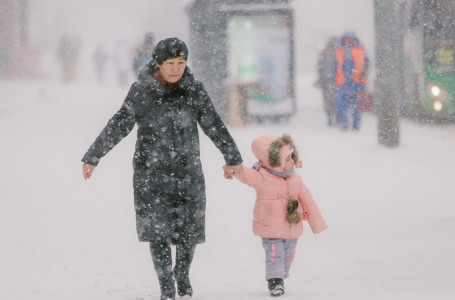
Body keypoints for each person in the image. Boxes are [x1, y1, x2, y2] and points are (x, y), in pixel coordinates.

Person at [81, 37, 243, 300]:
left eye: (181, 62)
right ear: (157, 63)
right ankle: (166, 285)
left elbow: (213, 123)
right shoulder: (142, 91)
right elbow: (120, 123)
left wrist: (232, 156)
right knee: (158, 234)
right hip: (151, 175)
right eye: (170, 63)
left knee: (189, 232)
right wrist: (94, 155)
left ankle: (182, 273)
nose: (176, 68)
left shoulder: (194, 91)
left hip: (188, 173)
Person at [223, 134, 327, 297]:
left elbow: (308, 200)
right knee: (274, 253)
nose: (292, 162)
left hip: (292, 226)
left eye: (292, 158)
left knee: (288, 254)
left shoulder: (295, 178)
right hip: (270, 226)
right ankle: (275, 281)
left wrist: (317, 222)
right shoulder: (262, 176)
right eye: (288, 159)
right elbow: (246, 174)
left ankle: (281, 275)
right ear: (275, 161)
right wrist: (235, 168)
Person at [333, 32, 369, 130]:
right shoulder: (339, 51)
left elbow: (367, 64)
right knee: (341, 105)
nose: (348, 41)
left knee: (357, 107)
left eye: (350, 39)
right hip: (343, 83)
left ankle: (356, 126)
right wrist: (333, 80)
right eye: (347, 39)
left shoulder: (361, 50)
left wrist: (363, 73)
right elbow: (335, 66)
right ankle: (344, 123)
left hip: (358, 83)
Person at [316, 37, 338, 126]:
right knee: (331, 101)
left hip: (330, 82)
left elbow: (319, 67)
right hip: (331, 82)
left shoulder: (325, 53)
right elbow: (319, 67)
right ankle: (332, 118)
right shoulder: (337, 53)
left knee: (329, 101)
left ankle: (331, 118)